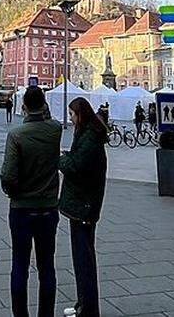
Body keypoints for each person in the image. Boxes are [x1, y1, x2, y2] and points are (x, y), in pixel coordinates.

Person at [0, 86, 62, 317]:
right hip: (47, 207)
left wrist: (10, 190)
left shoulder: (17, 135)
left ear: (24, 106)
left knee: (20, 265)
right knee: (47, 267)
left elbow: (8, 175)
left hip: (22, 209)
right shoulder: (55, 130)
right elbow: (50, 119)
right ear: (44, 104)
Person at [59, 97, 108, 317]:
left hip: (84, 206)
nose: (70, 119)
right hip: (82, 204)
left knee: (84, 260)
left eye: (72, 114)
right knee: (82, 259)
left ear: (80, 114)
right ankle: (83, 305)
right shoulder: (88, 134)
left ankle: (88, 310)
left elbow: (77, 166)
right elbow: (80, 161)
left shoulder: (89, 137)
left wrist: (60, 159)